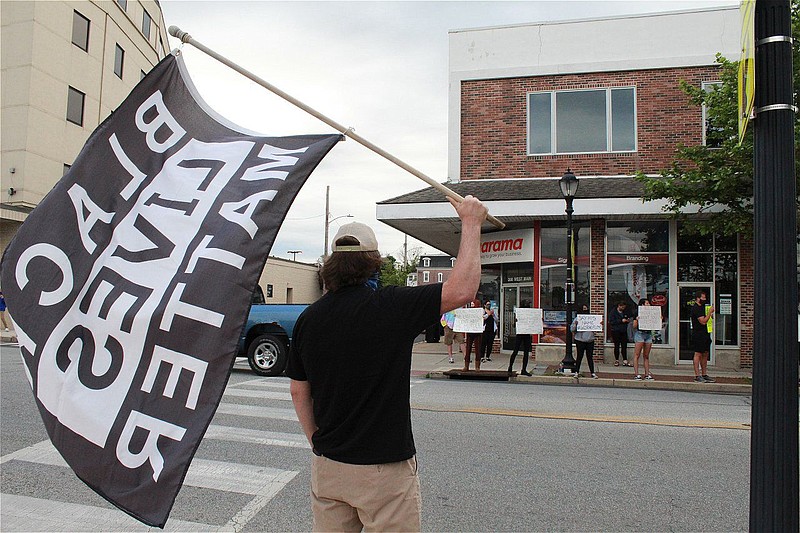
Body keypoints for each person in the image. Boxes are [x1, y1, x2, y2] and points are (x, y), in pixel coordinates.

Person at [287, 196, 488, 532]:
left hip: (329, 465)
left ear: (330, 266)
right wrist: (471, 222)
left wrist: (317, 443)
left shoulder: (309, 319)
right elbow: (463, 288)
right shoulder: (391, 307)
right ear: (374, 263)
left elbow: (298, 390)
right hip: (384, 470)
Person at [690, 290, 716, 383]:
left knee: (705, 353)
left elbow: (707, 320)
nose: (704, 299)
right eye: (703, 298)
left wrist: (710, 315)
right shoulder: (696, 308)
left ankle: (704, 374)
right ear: (698, 298)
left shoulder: (703, 308)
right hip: (698, 333)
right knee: (698, 353)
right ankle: (697, 375)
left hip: (705, 333)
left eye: (705, 298)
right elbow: (703, 321)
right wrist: (709, 312)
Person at [571, 304, 598, 378]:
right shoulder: (577, 319)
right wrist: (575, 325)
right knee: (579, 356)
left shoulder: (591, 319)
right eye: (583, 309)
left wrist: (599, 325)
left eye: (586, 309)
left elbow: (596, 328)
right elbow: (572, 329)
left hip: (590, 340)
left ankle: (592, 372)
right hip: (580, 340)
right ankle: (576, 371)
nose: (585, 311)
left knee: (590, 357)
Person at [508, 301, 533, 376]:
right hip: (520, 333)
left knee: (525, 352)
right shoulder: (519, 314)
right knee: (516, 351)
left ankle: (524, 369)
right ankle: (510, 367)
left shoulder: (529, 314)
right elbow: (514, 325)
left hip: (526, 334)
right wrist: (516, 322)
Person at [632, 298, 655, 381]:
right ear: (642, 305)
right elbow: (634, 326)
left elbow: (655, 322)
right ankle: (636, 374)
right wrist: (637, 320)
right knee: (637, 354)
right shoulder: (637, 313)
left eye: (648, 303)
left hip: (648, 334)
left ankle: (647, 373)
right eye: (647, 303)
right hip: (640, 334)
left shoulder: (652, 313)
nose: (648, 304)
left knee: (646, 355)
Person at [463, 298, 483, 371]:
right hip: (470, 331)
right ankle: (466, 365)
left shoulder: (480, 312)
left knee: (477, 349)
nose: (472, 306)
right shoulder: (469, 311)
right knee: (468, 349)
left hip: (477, 332)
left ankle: (477, 366)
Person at [609, 301, 631, 367]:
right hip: (616, 331)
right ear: (619, 306)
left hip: (623, 330)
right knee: (616, 345)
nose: (623, 308)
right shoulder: (613, 312)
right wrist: (621, 321)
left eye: (624, 307)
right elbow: (611, 321)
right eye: (622, 307)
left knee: (624, 346)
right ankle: (617, 360)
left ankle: (625, 359)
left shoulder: (625, 312)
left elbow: (629, 317)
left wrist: (627, 320)